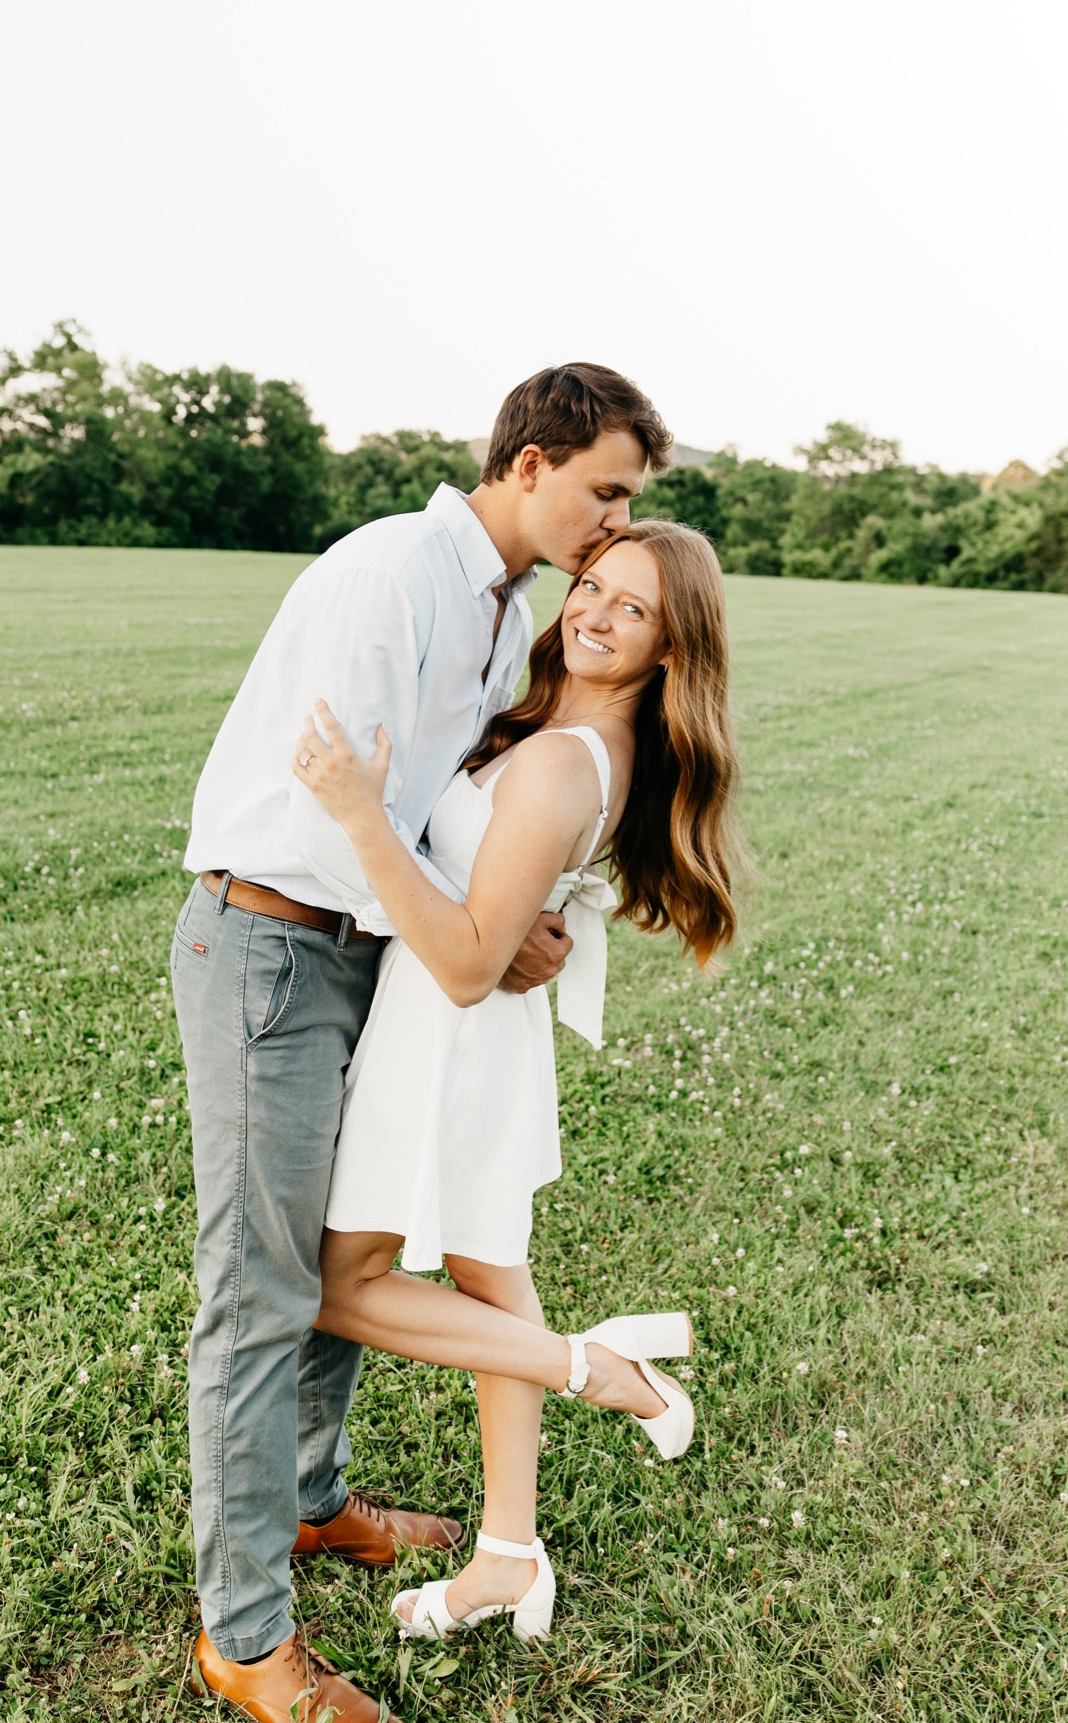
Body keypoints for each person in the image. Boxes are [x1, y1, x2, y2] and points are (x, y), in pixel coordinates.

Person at [173, 365, 673, 1723]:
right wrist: (485, 934)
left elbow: (451, 828)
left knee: (358, 1243)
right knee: (263, 1292)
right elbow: (353, 802)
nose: (613, 519)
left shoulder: (498, 610)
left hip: (367, 958)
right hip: (272, 944)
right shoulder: (393, 572)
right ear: (529, 464)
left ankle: (317, 1501)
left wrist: (502, 924)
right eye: (605, 490)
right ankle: (244, 1636)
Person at [292, 519, 743, 1644]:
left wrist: (358, 810)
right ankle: (506, 1555)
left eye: (630, 606)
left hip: (445, 1036)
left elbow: (461, 961)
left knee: (340, 1286)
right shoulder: (571, 735)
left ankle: (598, 1367)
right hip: (481, 1040)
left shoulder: (555, 760)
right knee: (493, 1283)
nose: (590, 609)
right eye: (590, 583)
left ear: (671, 647)